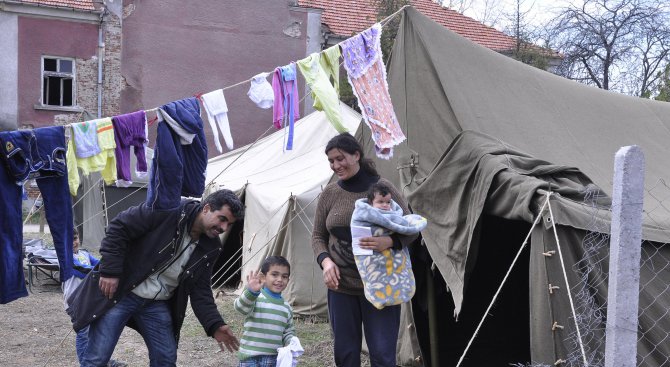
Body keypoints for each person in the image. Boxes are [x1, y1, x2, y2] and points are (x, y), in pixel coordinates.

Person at [66, 189, 244, 367]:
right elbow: (119, 227)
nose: (223, 228)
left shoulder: (211, 247)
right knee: (97, 358)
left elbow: (200, 289)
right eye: (222, 219)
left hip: (156, 302)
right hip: (123, 293)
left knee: (165, 359)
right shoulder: (167, 209)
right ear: (206, 208)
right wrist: (110, 271)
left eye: (229, 224)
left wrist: (214, 324)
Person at [311, 133, 419, 367]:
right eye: (331, 161)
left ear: (356, 155)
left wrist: (389, 242)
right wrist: (326, 261)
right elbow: (318, 236)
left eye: (340, 158)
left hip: (381, 286)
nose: (336, 165)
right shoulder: (330, 193)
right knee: (346, 354)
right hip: (341, 288)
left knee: (382, 355)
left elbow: (411, 228)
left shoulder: (382, 189)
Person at [350, 182, 427, 309]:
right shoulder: (361, 214)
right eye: (381, 202)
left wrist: (390, 241)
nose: (385, 206)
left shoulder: (395, 214)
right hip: (367, 263)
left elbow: (409, 229)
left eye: (388, 202)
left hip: (391, 258)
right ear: (370, 203)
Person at [62, 229, 126, 367]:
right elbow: (84, 271)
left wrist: (112, 263)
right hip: (76, 301)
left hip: (90, 299)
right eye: (68, 240)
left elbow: (98, 263)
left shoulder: (84, 253)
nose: (73, 243)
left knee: (97, 331)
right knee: (83, 333)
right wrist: (105, 272)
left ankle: (103, 361)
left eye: (75, 238)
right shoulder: (65, 258)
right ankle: (85, 363)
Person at [234, 256, 297, 366]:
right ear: (263, 277)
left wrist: (291, 342)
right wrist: (251, 292)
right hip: (249, 356)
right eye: (274, 274)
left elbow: (288, 331)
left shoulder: (286, 307)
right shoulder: (255, 297)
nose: (279, 280)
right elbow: (240, 307)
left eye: (284, 276)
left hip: (273, 358)